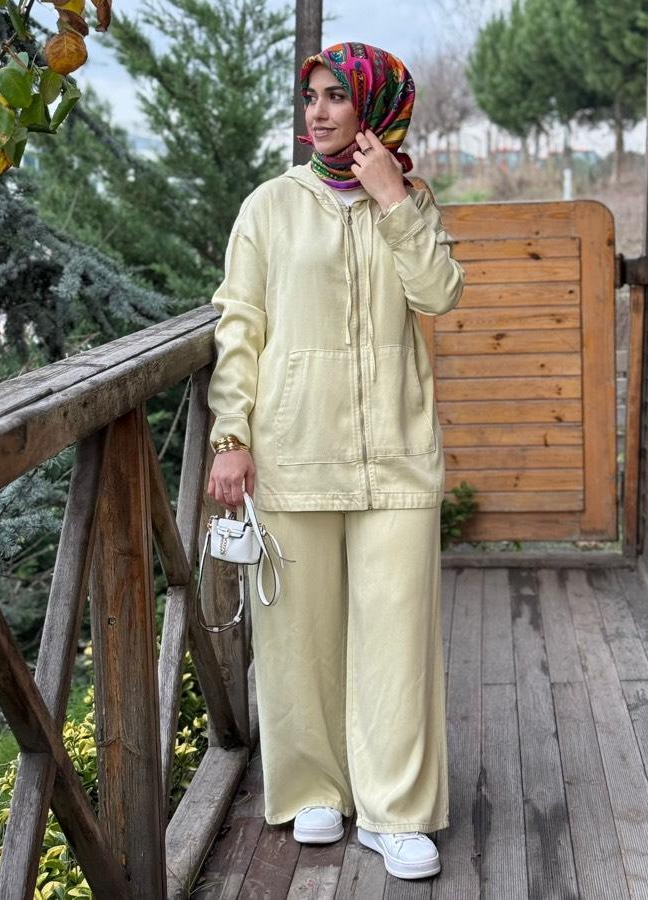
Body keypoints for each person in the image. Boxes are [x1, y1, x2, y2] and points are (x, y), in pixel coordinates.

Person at [205, 41, 465, 881]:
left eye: (335, 97)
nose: (316, 112)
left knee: (397, 640)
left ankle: (395, 812)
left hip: (396, 450)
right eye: (310, 96)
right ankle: (314, 785)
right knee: (298, 636)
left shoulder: (411, 201)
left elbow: (439, 294)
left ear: (373, 108)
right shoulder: (269, 207)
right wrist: (232, 435)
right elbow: (240, 324)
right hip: (294, 448)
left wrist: (393, 199)